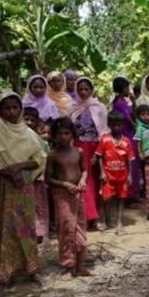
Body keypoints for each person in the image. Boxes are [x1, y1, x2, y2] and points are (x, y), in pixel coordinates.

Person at [0, 92, 46, 286]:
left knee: (26, 228)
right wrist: (6, 171)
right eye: (6, 108)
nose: (11, 111)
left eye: (15, 107)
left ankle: (31, 268)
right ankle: (5, 271)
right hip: (3, 186)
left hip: (23, 186)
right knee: (5, 230)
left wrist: (20, 167)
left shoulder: (28, 133)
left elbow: (40, 158)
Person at [45, 117, 91, 279]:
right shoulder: (52, 156)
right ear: (54, 135)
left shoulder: (78, 152)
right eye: (59, 134)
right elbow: (48, 179)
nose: (63, 137)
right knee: (66, 228)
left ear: (72, 134)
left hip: (78, 194)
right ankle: (68, 265)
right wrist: (65, 184)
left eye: (67, 133)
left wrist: (82, 180)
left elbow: (84, 170)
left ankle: (80, 265)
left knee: (80, 226)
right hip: (62, 196)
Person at [68, 77, 108, 230]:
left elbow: (103, 130)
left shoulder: (99, 107)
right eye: (80, 89)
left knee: (96, 182)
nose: (83, 92)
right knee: (82, 182)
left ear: (92, 90)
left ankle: (98, 217)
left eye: (86, 89)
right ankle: (85, 216)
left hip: (95, 148)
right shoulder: (72, 108)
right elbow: (70, 131)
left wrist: (99, 153)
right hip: (78, 148)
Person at [96, 110, 134, 231]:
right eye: (113, 124)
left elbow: (129, 159)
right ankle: (105, 220)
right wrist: (102, 172)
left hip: (122, 176)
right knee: (105, 198)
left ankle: (119, 221)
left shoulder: (127, 141)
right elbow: (100, 156)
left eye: (119, 124)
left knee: (121, 199)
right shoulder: (105, 139)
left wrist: (130, 175)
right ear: (109, 124)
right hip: (108, 175)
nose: (116, 127)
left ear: (123, 125)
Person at [111, 76, 142, 201]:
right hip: (127, 135)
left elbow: (134, 115)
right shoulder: (120, 104)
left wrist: (134, 102)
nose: (129, 90)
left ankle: (132, 194)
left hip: (129, 134)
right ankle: (129, 195)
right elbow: (131, 121)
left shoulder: (122, 102)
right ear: (123, 88)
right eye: (127, 87)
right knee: (130, 164)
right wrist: (139, 129)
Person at [23, 107, 50, 242]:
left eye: (31, 120)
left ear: (37, 122)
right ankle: (28, 230)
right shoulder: (18, 138)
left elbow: (45, 158)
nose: (28, 122)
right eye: (26, 119)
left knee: (40, 205)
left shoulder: (41, 141)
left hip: (39, 178)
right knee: (27, 204)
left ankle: (41, 231)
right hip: (23, 178)